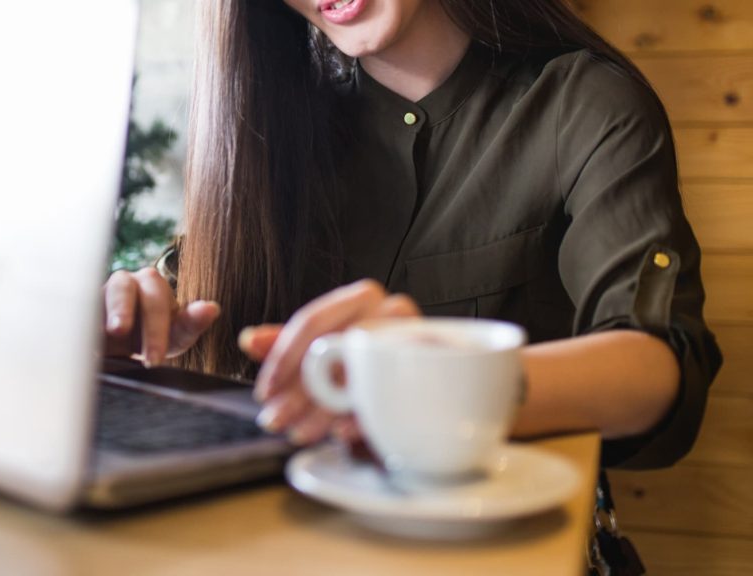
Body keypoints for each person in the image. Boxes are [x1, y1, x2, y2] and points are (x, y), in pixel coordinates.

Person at [104, 0, 722, 469]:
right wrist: (132, 318)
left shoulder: (584, 104)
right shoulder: (273, 136)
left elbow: (661, 366)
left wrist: (446, 381)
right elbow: (177, 298)